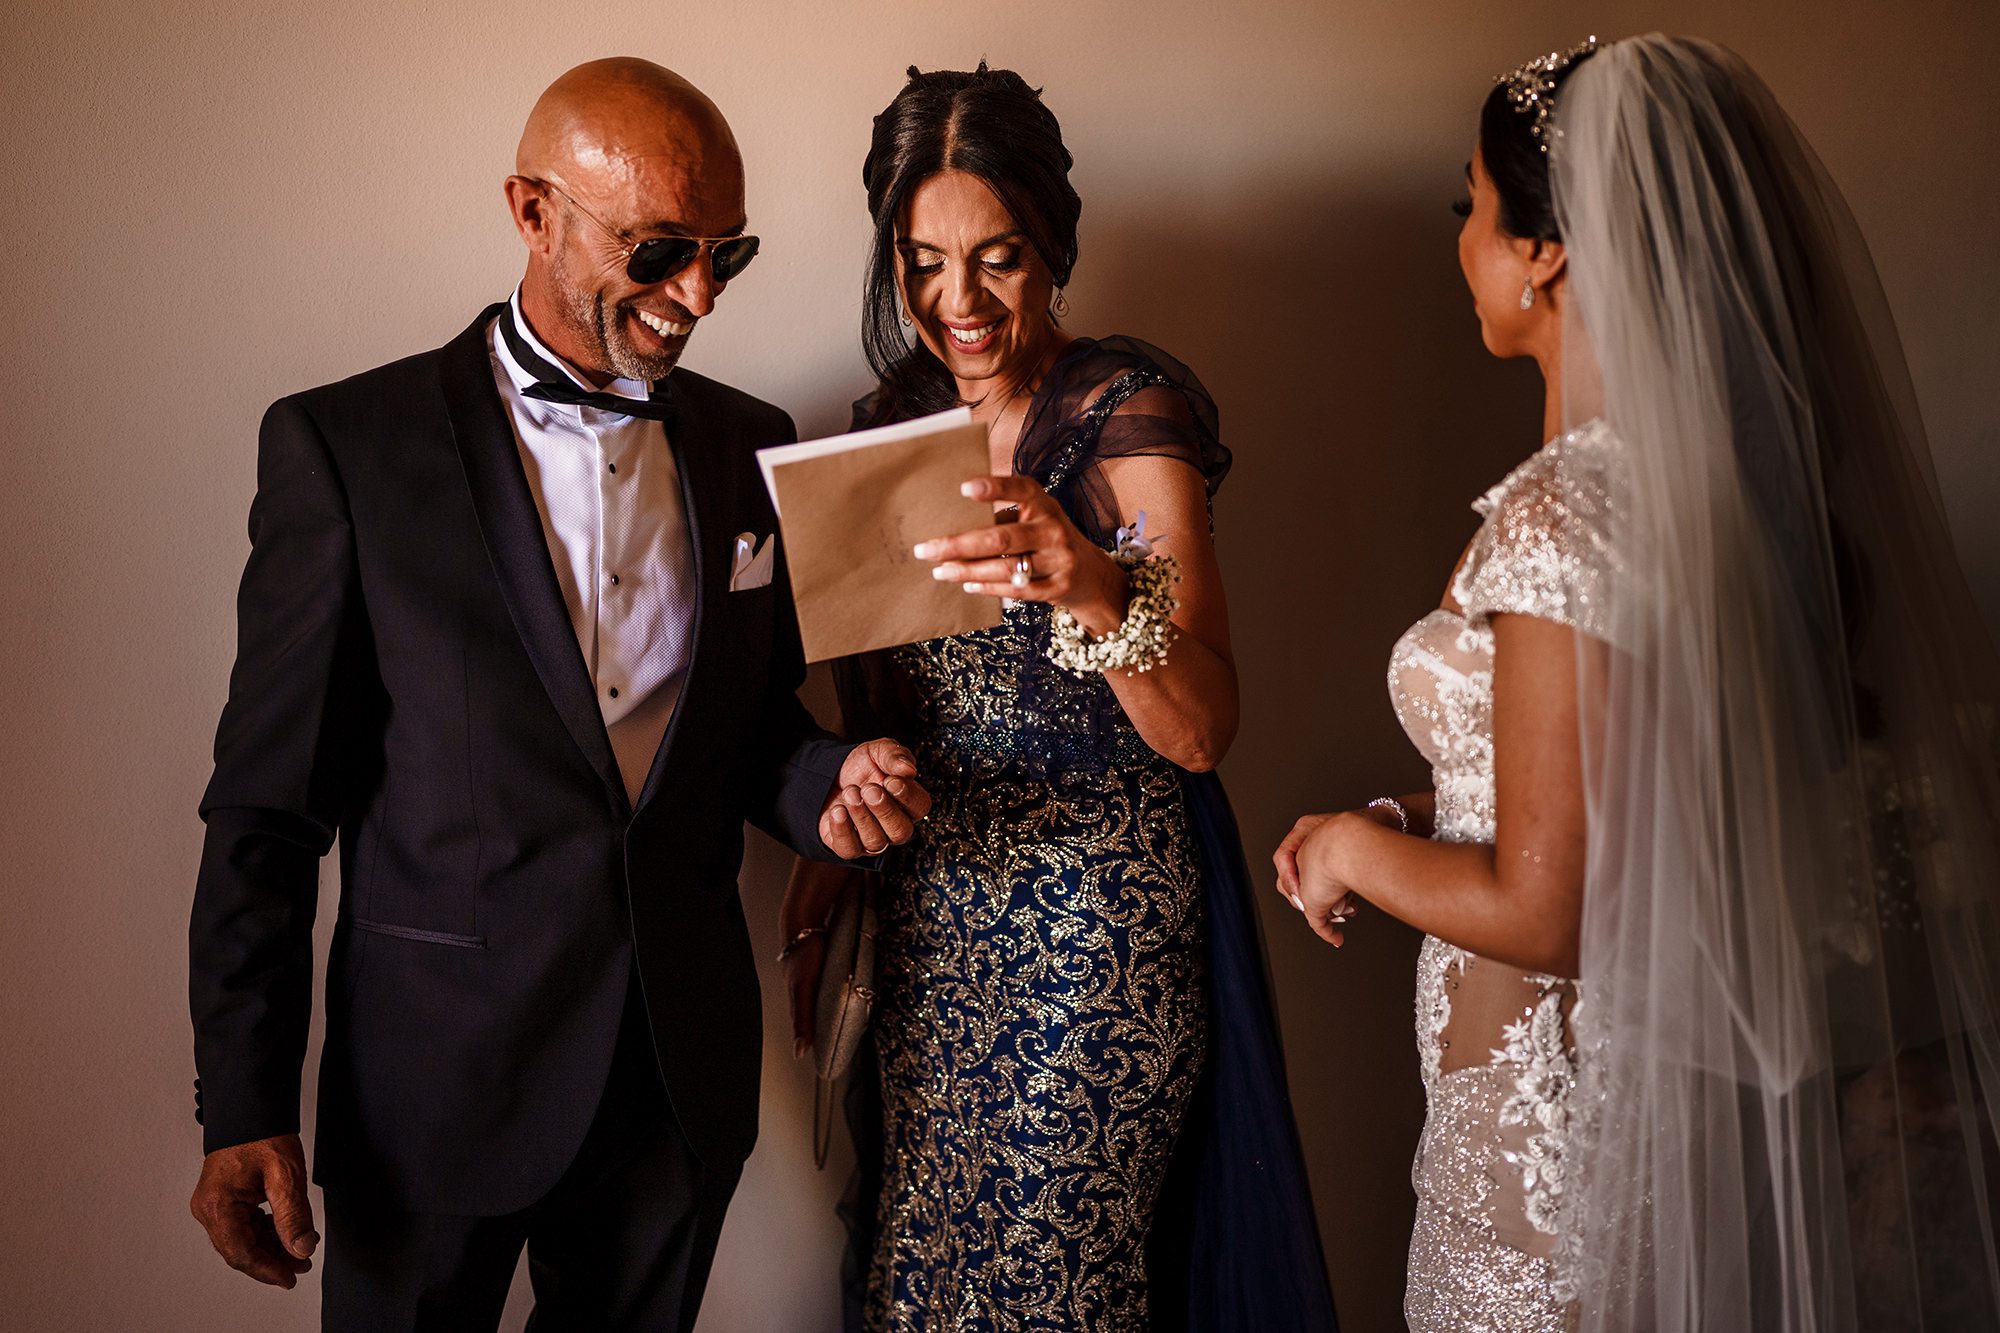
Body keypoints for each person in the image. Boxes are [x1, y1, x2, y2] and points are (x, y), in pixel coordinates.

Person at [186, 57, 930, 1330]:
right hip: (431, 1097)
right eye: (657, 250)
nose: (695, 294)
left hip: (674, 1092)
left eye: (725, 254)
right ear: (532, 211)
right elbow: (267, 809)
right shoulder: (346, 451)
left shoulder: (751, 446)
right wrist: (243, 1102)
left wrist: (828, 788)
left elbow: (747, 738)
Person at [1276, 33, 2000, 1330]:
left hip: (1549, 1130)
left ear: (1544, 250)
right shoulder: (1703, 487)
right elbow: (1623, 787)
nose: (1467, 247)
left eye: (1474, 210)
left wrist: (1344, 848)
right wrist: (1429, 816)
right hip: (1637, 1098)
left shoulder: (1563, 510)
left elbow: (1553, 908)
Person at [782, 63, 1338, 1332]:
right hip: (934, 926)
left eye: (997, 256)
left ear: (1053, 245)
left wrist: (1088, 584)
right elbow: (883, 702)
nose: (957, 301)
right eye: (921, 262)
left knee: (1052, 1289)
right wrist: (835, 844)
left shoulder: (1124, 417)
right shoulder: (889, 429)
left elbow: (1201, 729)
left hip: (1097, 933)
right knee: (917, 1280)